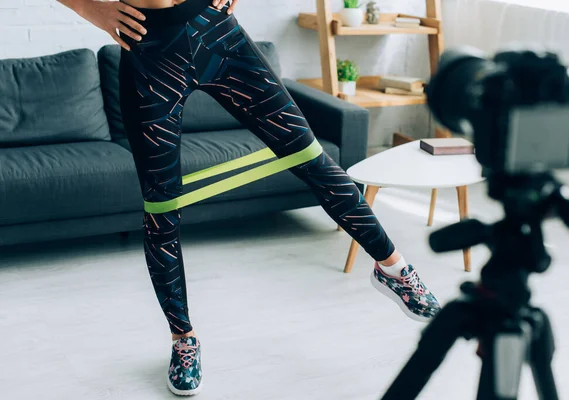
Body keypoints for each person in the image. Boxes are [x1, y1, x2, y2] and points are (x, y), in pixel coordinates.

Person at [57, 0, 441, 396]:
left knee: (314, 159)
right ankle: (183, 339)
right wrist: (93, 9)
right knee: (161, 211)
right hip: (148, 50)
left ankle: (394, 269)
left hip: (213, 30)